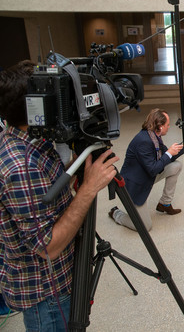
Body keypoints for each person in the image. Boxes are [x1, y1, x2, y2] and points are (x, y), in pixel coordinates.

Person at [0, 61, 119, 330]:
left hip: (60, 281)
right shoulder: (21, 167)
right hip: (48, 295)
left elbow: (47, 186)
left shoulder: (31, 138)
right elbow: (48, 247)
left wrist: (78, 161)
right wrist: (88, 188)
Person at [109, 108, 184, 232]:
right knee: (145, 226)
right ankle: (116, 214)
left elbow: (169, 157)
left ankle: (164, 204)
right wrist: (168, 153)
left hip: (146, 175)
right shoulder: (143, 141)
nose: (169, 127)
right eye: (167, 125)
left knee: (175, 166)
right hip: (134, 185)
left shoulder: (154, 136)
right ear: (160, 126)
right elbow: (153, 169)